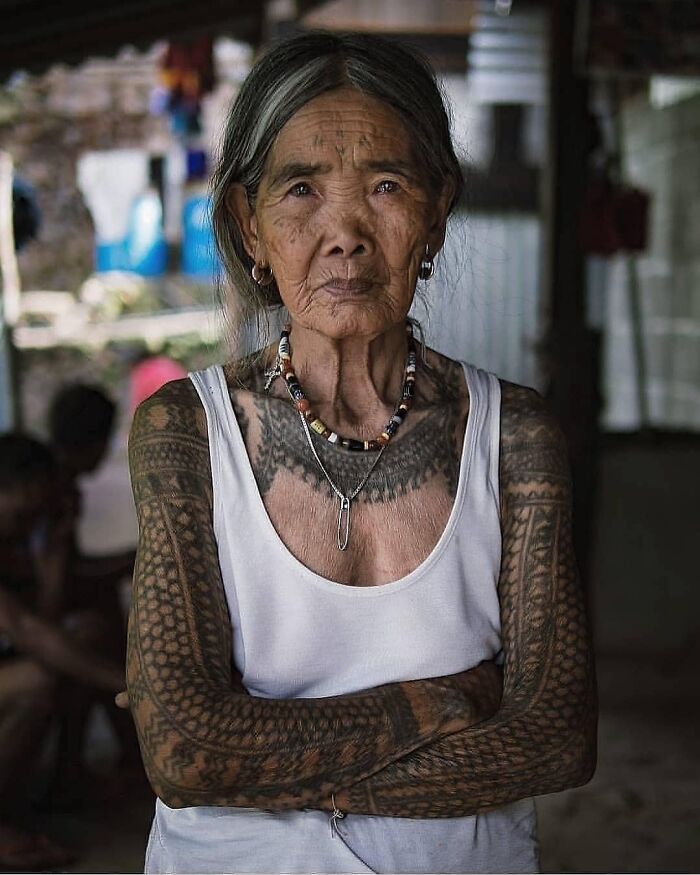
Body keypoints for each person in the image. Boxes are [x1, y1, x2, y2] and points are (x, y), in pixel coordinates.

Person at [126, 32, 597, 874]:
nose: (344, 233)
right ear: (249, 223)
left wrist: (263, 758)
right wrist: (450, 701)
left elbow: (556, 741)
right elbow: (184, 752)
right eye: (301, 189)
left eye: (385, 185)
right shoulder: (187, 432)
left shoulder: (515, 435)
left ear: (436, 210)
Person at [0, 433, 125, 869]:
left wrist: (51, 566)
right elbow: (26, 630)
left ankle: (65, 778)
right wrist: (131, 687)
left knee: (86, 632)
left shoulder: (21, 538)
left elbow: (44, 626)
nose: (26, 525)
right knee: (39, 679)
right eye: (21, 514)